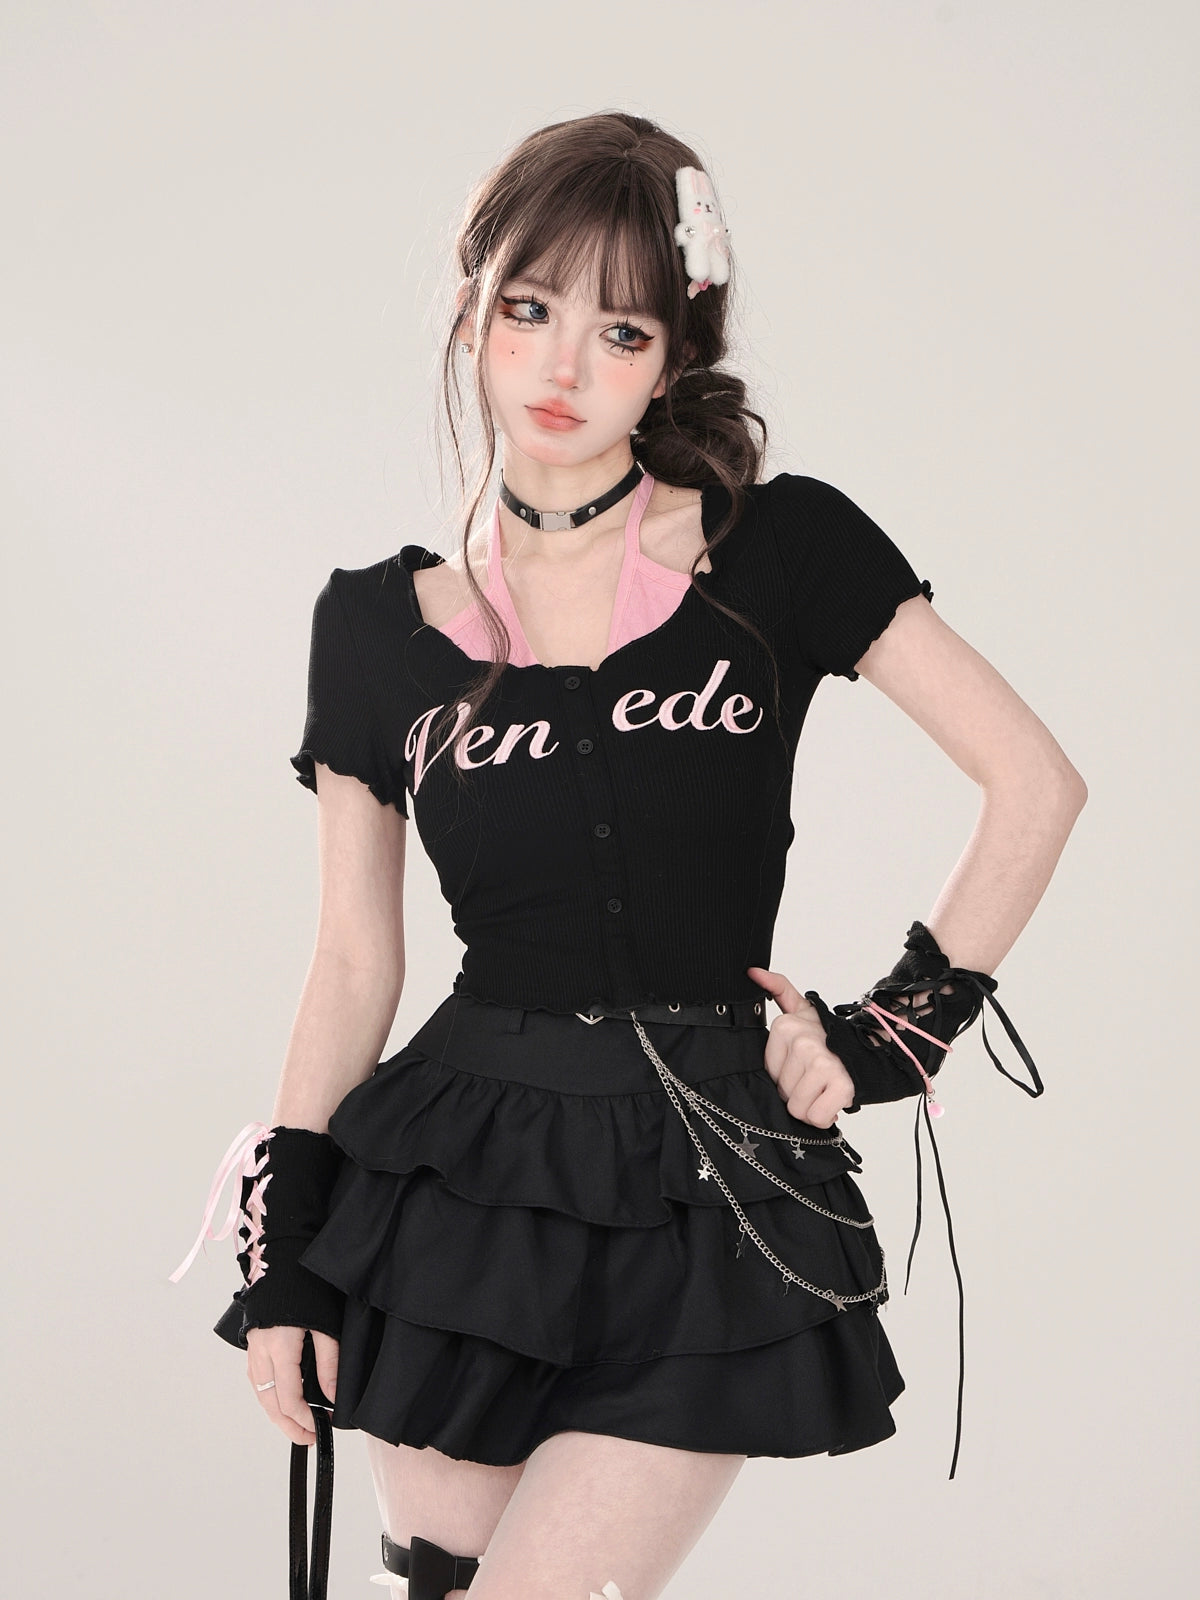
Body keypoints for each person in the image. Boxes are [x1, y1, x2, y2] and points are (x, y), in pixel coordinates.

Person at [172, 111, 1086, 1600]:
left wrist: (890, 1037)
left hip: (704, 1181)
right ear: (472, 312)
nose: (562, 366)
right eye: (530, 310)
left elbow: (1035, 783)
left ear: (674, 357)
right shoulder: (378, 627)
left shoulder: (781, 552)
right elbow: (351, 958)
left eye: (621, 330)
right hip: (463, 1188)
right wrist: (283, 1258)